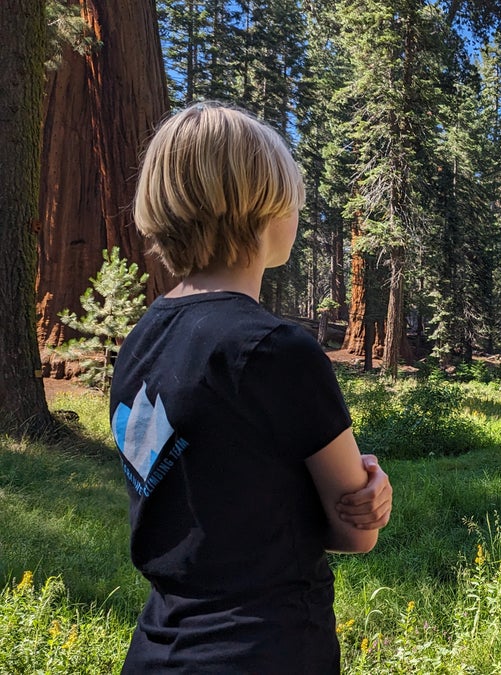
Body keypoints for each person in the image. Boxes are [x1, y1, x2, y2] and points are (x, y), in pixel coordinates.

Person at [109, 101, 392, 674]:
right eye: (292, 197)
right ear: (259, 208)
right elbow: (354, 532)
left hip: (157, 648)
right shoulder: (276, 351)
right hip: (266, 648)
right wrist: (372, 494)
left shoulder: (137, 344)